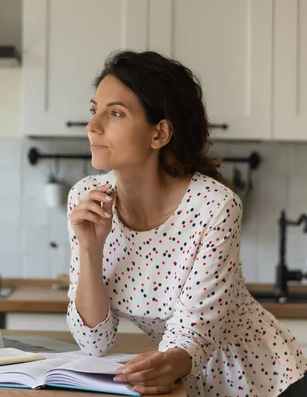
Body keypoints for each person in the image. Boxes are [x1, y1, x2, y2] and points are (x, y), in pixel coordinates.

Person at [66, 50, 307, 396]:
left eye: (115, 113)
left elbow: (192, 333)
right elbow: (93, 341)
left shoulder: (214, 206)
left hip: (266, 382)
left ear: (159, 133)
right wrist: (90, 248)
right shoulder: (87, 199)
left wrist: (162, 367)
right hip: (186, 385)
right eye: (94, 110)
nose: (93, 125)